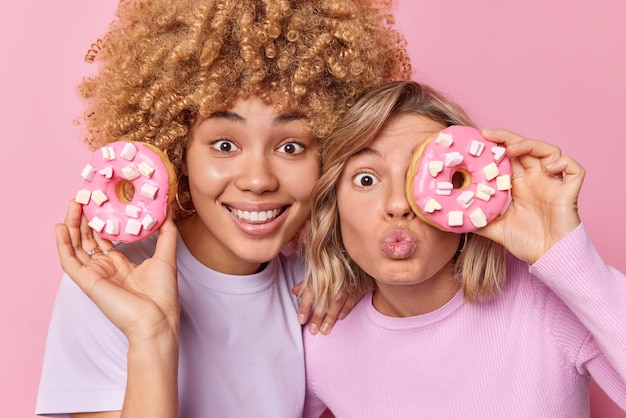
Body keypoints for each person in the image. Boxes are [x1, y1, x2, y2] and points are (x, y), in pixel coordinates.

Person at [36, 1, 411, 417]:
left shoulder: (318, 283)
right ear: (178, 152)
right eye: (225, 145)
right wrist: (151, 335)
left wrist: (356, 278)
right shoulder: (113, 285)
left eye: (291, 147)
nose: (258, 179)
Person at [302, 80, 626, 417]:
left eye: (421, 176)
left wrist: (564, 255)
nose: (398, 204)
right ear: (332, 204)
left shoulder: (544, 303)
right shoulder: (321, 344)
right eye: (366, 179)